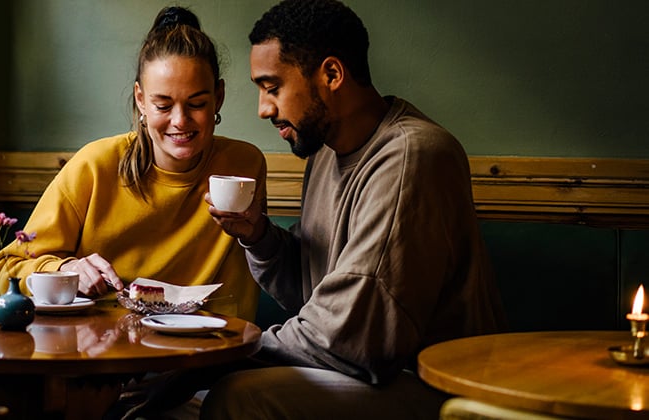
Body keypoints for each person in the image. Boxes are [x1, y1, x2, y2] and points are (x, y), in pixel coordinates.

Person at [200, 0, 507, 418]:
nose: (263, 109)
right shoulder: (325, 153)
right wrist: (257, 237)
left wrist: (220, 352)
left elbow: (353, 335)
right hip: (364, 375)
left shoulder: (412, 157)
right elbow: (316, 298)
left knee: (240, 396)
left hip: (435, 388)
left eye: (272, 88)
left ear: (331, 74)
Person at [0, 6, 267, 321]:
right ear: (140, 99)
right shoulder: (94, 167)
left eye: (197, 104)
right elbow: (7, 269)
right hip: (102, 354)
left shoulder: (244, 166)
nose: (180, 121)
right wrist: (65, 269)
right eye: (163, 104)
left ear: (219, 96)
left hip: (207, 354)